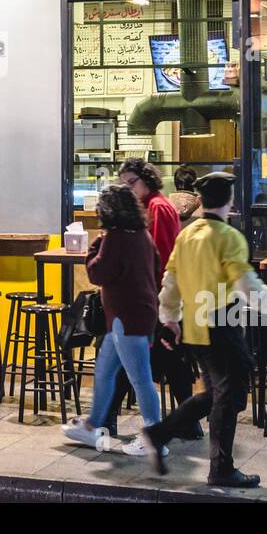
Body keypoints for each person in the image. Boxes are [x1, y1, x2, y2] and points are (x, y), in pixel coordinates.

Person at [142, 171, 267, 488]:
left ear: (201, 200)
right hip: (221, 324)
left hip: (194, 327)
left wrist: (169, 318)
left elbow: (171, 282)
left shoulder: (188, 234)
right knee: (230, 392)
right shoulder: (228, 237)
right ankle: (220, 468)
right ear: (230, 200)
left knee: (219, 393)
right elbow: (245, 282)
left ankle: (160, 434)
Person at [61, 185, 164, 458]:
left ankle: (155, 436)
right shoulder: (143, 235)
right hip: (137, 314)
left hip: (125, 319)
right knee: (105, 372)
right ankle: (93, 425)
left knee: (140, 378)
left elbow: (98, 272)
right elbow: (156, 269)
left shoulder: (115, 238)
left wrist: (95, 244)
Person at [106, 157, 197, 438]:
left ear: (147, 178)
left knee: (126, 358)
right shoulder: (151, 206)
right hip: (161, 298)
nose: (129, 189)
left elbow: (157, 256)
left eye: (132, 182)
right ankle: (189, 421)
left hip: (155, 297)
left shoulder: (158, 207)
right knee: (170, 361)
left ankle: (107, 418)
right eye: (124, 184)